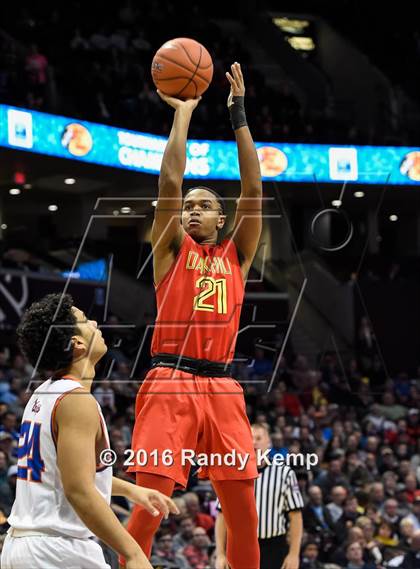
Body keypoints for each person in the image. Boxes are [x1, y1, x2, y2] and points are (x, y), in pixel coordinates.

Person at [124, 62, 263, 569]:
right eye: (188, 207)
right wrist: (182, 113)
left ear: (222, 218)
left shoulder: (238, 256)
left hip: (223, 390)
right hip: (169, 383)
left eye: (203, 206)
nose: (192, 211)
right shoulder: (170, 253)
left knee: (244, 512)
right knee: (150, 508)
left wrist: (238, 115)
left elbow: (253, 189)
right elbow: (169, 178)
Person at [0, 293, 179, 569]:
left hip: (25, 546)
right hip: (57, 550)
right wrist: (132, 553)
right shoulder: (76, 401)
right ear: (78, 344)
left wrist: (130, 491)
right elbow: (78, 490)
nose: (95, 322)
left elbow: (63, 473)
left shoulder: (43, 393)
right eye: (85, 320)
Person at [215, 423, 304, 569]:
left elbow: (296, 516)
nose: (254, 442)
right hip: (240, 546)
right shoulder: (231, 473)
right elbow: (222, 516)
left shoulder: (285, 473)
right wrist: (220, 554)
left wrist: (294, 554)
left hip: (274, 546)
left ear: (268, 443)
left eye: (258, 438)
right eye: (249, 438)